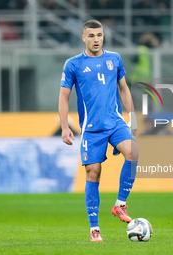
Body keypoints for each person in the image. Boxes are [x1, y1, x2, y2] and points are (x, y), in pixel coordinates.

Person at [58, 20, 139, 242]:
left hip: (115, 122)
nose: (96, 39)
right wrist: (65, 126)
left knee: (133, 151)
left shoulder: (114, 59)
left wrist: (132, 118)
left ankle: (120, 205)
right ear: (83, 38)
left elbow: (124, 89)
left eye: (100, 35)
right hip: (92, 130)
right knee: (93, 172)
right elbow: (64, 96)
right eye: (91, 35)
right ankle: (95, 228)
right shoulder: (73, 64)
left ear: (104, 36)